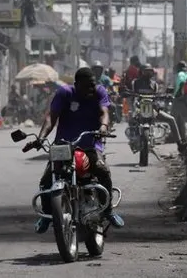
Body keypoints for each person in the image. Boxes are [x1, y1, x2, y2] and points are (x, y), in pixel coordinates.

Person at [31, 67, 123, 234]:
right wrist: (41, 137)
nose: (90, 90)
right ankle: (46, 215)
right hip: (63, 145)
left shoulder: (100, 92)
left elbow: (104, 112)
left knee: (102, 170)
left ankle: (108, 210)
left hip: (90, 144)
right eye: (86, 86)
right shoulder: (64, 93)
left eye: (92, 86)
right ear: (76, 84)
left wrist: (103, 126)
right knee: (46, 180)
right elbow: (51, 117)